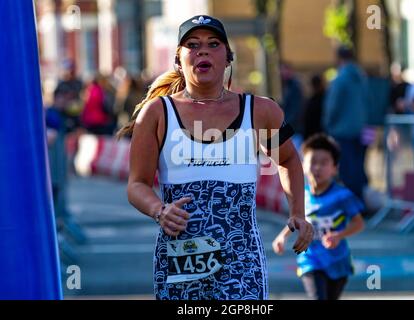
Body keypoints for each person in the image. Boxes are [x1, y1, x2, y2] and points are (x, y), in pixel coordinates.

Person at [117, 15, 313, 300]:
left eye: (213, 44)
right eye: (192, 45)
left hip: (241, 262)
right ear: (179, 59)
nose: (203, 51)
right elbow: (137, 185)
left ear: (228, 57)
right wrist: (159, 210)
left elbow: (288, 160)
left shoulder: (259, 111)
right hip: (181, 259)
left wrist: (297, 212)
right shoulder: (157, 114)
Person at [272, 134, 365, 300]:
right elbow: (297, 220)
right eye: (313, 162)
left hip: (337, 261)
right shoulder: (301, 195)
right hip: (310, 259)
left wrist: (339, 235)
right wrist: (282, 236)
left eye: (324, 163)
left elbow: (359, 223)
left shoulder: (342, 196)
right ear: (303, 165)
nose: (317, 168)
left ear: (335, 168)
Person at [322, 45, 369, 203]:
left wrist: (328, 123)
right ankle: (359, 202)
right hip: (361, 129)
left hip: (342, 130)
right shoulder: (362, 78)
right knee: (358, 167)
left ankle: (351, 205)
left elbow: (333, 105)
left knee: (347, 169)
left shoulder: (340, 79)